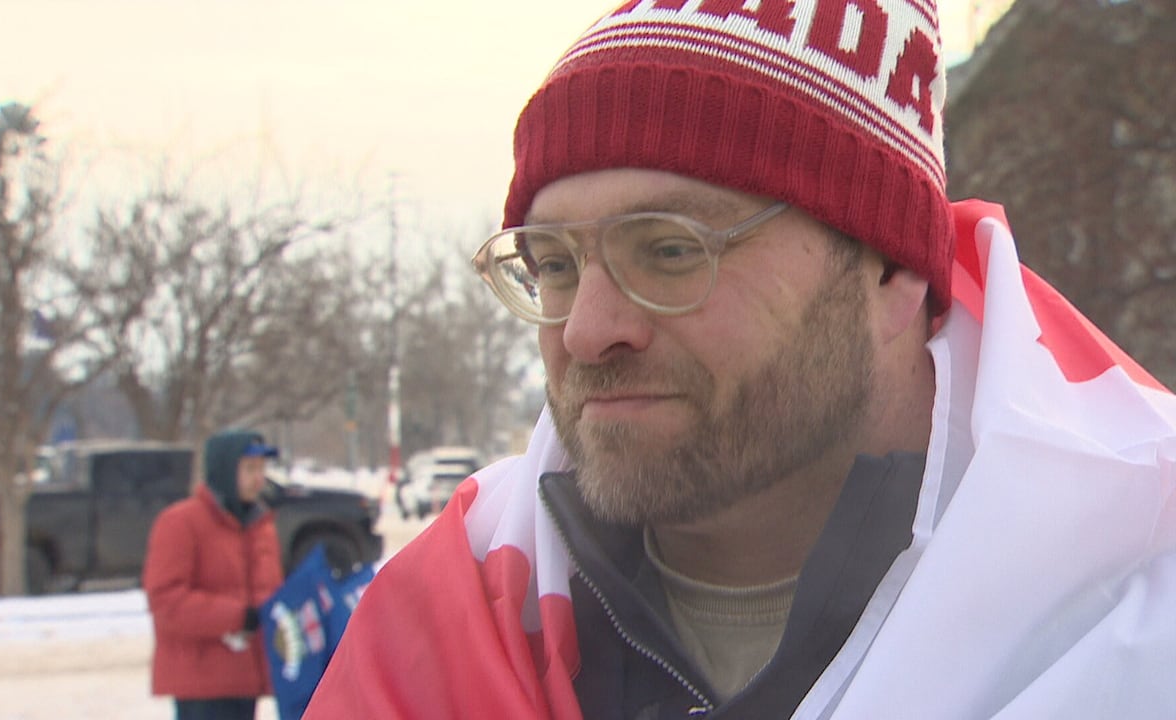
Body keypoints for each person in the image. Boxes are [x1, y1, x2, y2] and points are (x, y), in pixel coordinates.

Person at [304, 2, 1176, 718]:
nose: (586, 331)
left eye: (672, 251)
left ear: (888, 265)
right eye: (557, 267)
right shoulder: (447, 614)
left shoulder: (1135, 599)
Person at [144, 429, 285, 720]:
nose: (258, 479)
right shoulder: (181, 523)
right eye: (249, 469)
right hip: (201, 685)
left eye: (261, 469)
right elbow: (167, 601)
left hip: (246, 679)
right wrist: (238, 616)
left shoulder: (261, 526)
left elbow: (270, 591)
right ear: (224, 470)